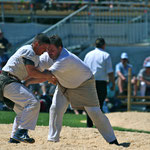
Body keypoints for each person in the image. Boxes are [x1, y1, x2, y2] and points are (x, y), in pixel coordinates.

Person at [25, 35, 119, 145]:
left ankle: (113, 141)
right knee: (55, 108)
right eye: (47, 50)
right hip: (64, 84)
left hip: (84, 84)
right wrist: (21, 76)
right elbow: (36, 70)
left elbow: (46, 75)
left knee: (95, 113)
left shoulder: (65, 58)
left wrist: (27, 82)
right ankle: (52, 140)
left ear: (60, 48)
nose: (49, 52)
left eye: (52, 50)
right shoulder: (48, 56)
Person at [0, 33, 56, 144]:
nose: (45, 51)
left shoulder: (35, 56)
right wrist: (48, 76)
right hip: (8, 81)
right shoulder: (28, 50)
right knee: (33, 102)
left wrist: (48, 75)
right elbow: (31, 72)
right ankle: (21, 133)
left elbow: (34, 75)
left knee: (22, 111)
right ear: (36, 44)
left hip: (9, 82)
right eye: (44, 48)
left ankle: (14, 138)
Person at [84, 37, 115, 127]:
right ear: (104, 45)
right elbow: (110, 72)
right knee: (99, 105)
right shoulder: (106, 55)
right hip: (101, 83)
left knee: (89, 104)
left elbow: (84, 69)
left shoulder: (88, 54)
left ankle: (89, 125)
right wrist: (113, 83)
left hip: (89, 81)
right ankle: (99, 125)